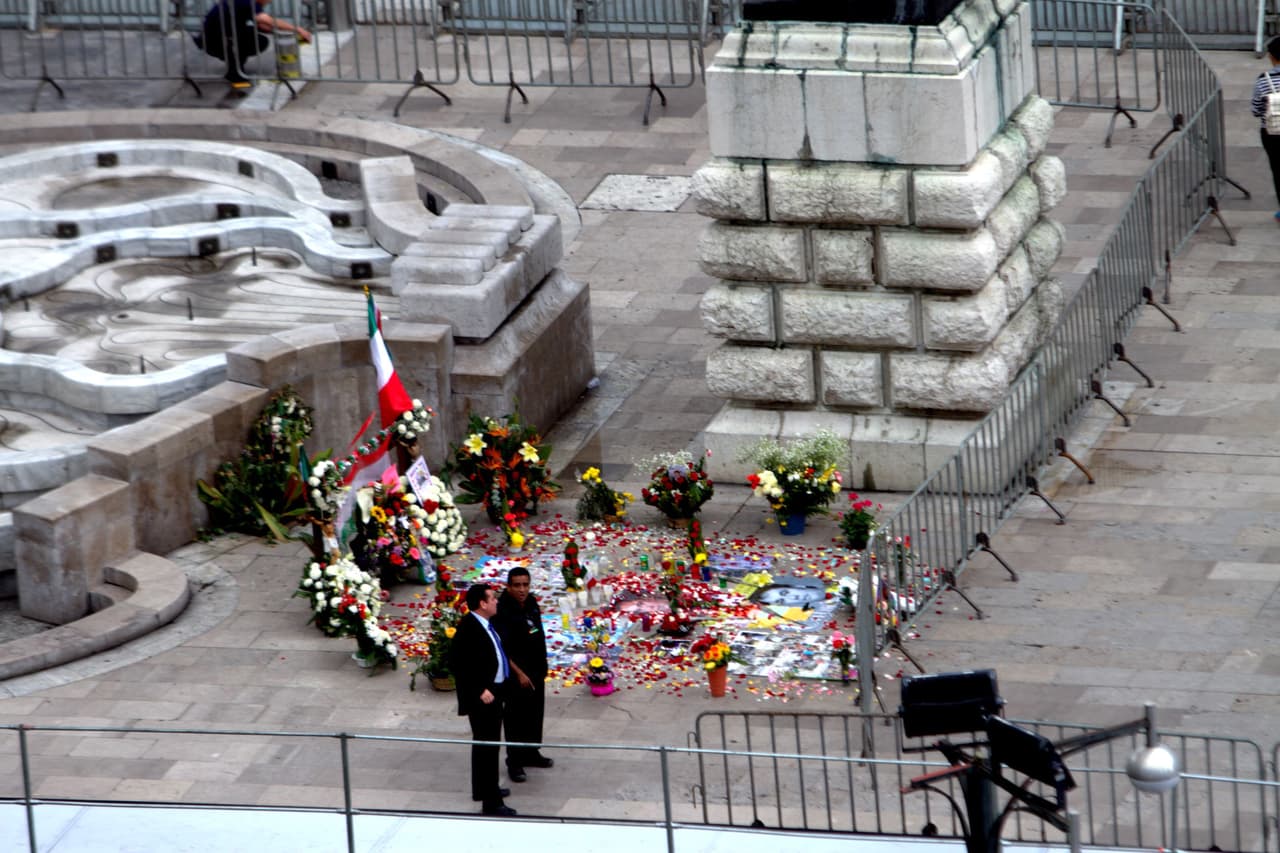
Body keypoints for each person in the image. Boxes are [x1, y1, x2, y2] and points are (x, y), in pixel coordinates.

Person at [448, 583, 516, 817]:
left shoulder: (485, 624)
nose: (497, 601)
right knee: (486, 748)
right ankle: (491, 801)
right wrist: (479, 689)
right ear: (482, 603)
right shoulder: (469, 628)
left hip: (495, 690)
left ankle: (488, 789)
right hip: (483, 697)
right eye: (493, 599)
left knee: (490, 745)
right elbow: (458, 662)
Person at [494, 567, 555, 783]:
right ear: (508, 586)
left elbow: (538, 633)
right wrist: (518, 672)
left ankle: (531, 752)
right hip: (515, 673)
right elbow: (501, 647)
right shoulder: (502, 610)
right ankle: (515, 761)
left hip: (536, 669)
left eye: (525, 585)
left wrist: (543, 665)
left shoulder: (531, 603)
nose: (522, 589)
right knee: (516, 718)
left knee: (535, 712)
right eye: (517, 585)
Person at [194, 0, 312, 87]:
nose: (269, 2)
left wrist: (282, 31)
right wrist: (296, 29)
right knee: (255, 41)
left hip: (219, 37)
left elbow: (262, 25)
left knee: (255, 38)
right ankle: (234, 73)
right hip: (214, 41)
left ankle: (236, 68)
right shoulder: (247, 2)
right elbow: (265, 20)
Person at [1253, 36, 1280, 220]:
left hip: (1273, 133)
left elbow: (1256, 110)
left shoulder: (1264, 81)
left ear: (1272, 57)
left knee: (1278, 170)